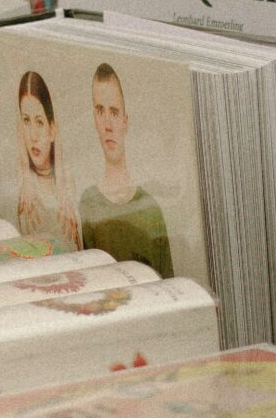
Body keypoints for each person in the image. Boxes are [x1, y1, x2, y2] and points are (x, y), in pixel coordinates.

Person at [77, 64, 174, 276]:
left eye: (114, 112)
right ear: (94, 118)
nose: (108, 125)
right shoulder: (88, 204)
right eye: (100, 111)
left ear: (125, 121)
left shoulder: (151, 210)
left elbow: (170, 291)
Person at [11, 71, 81, 251]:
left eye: (40, 122)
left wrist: (63, 190)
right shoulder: (22, 190)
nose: (32, 135)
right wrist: (26, 176)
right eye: (26, 121)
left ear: (51, 129)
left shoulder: (70, 181)